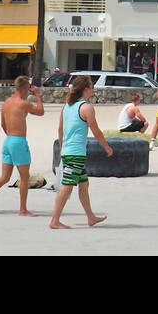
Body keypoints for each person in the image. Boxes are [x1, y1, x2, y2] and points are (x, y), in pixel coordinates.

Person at [49, 74, 112, 228]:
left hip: (69, 151)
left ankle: (90, 217)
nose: (93, 87)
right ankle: (54, 221)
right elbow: (96, 130)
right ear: (86, 89)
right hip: (75, 153)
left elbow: (60, 130)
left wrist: (63, 147)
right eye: (92, 85)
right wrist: (107, 147)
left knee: (84, 184)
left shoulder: (67, 106)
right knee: (67, 185)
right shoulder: (86, 108)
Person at [0, 76, 45, 216]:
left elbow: (2, 124)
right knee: (25, 178)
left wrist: (11, 135)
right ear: (26, 88)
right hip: (18, 142)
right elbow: (40, 112)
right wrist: (38, 95)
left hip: (8, 141)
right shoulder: (23, 103)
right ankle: (23, 210)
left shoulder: (7, 102)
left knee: (4, 177)